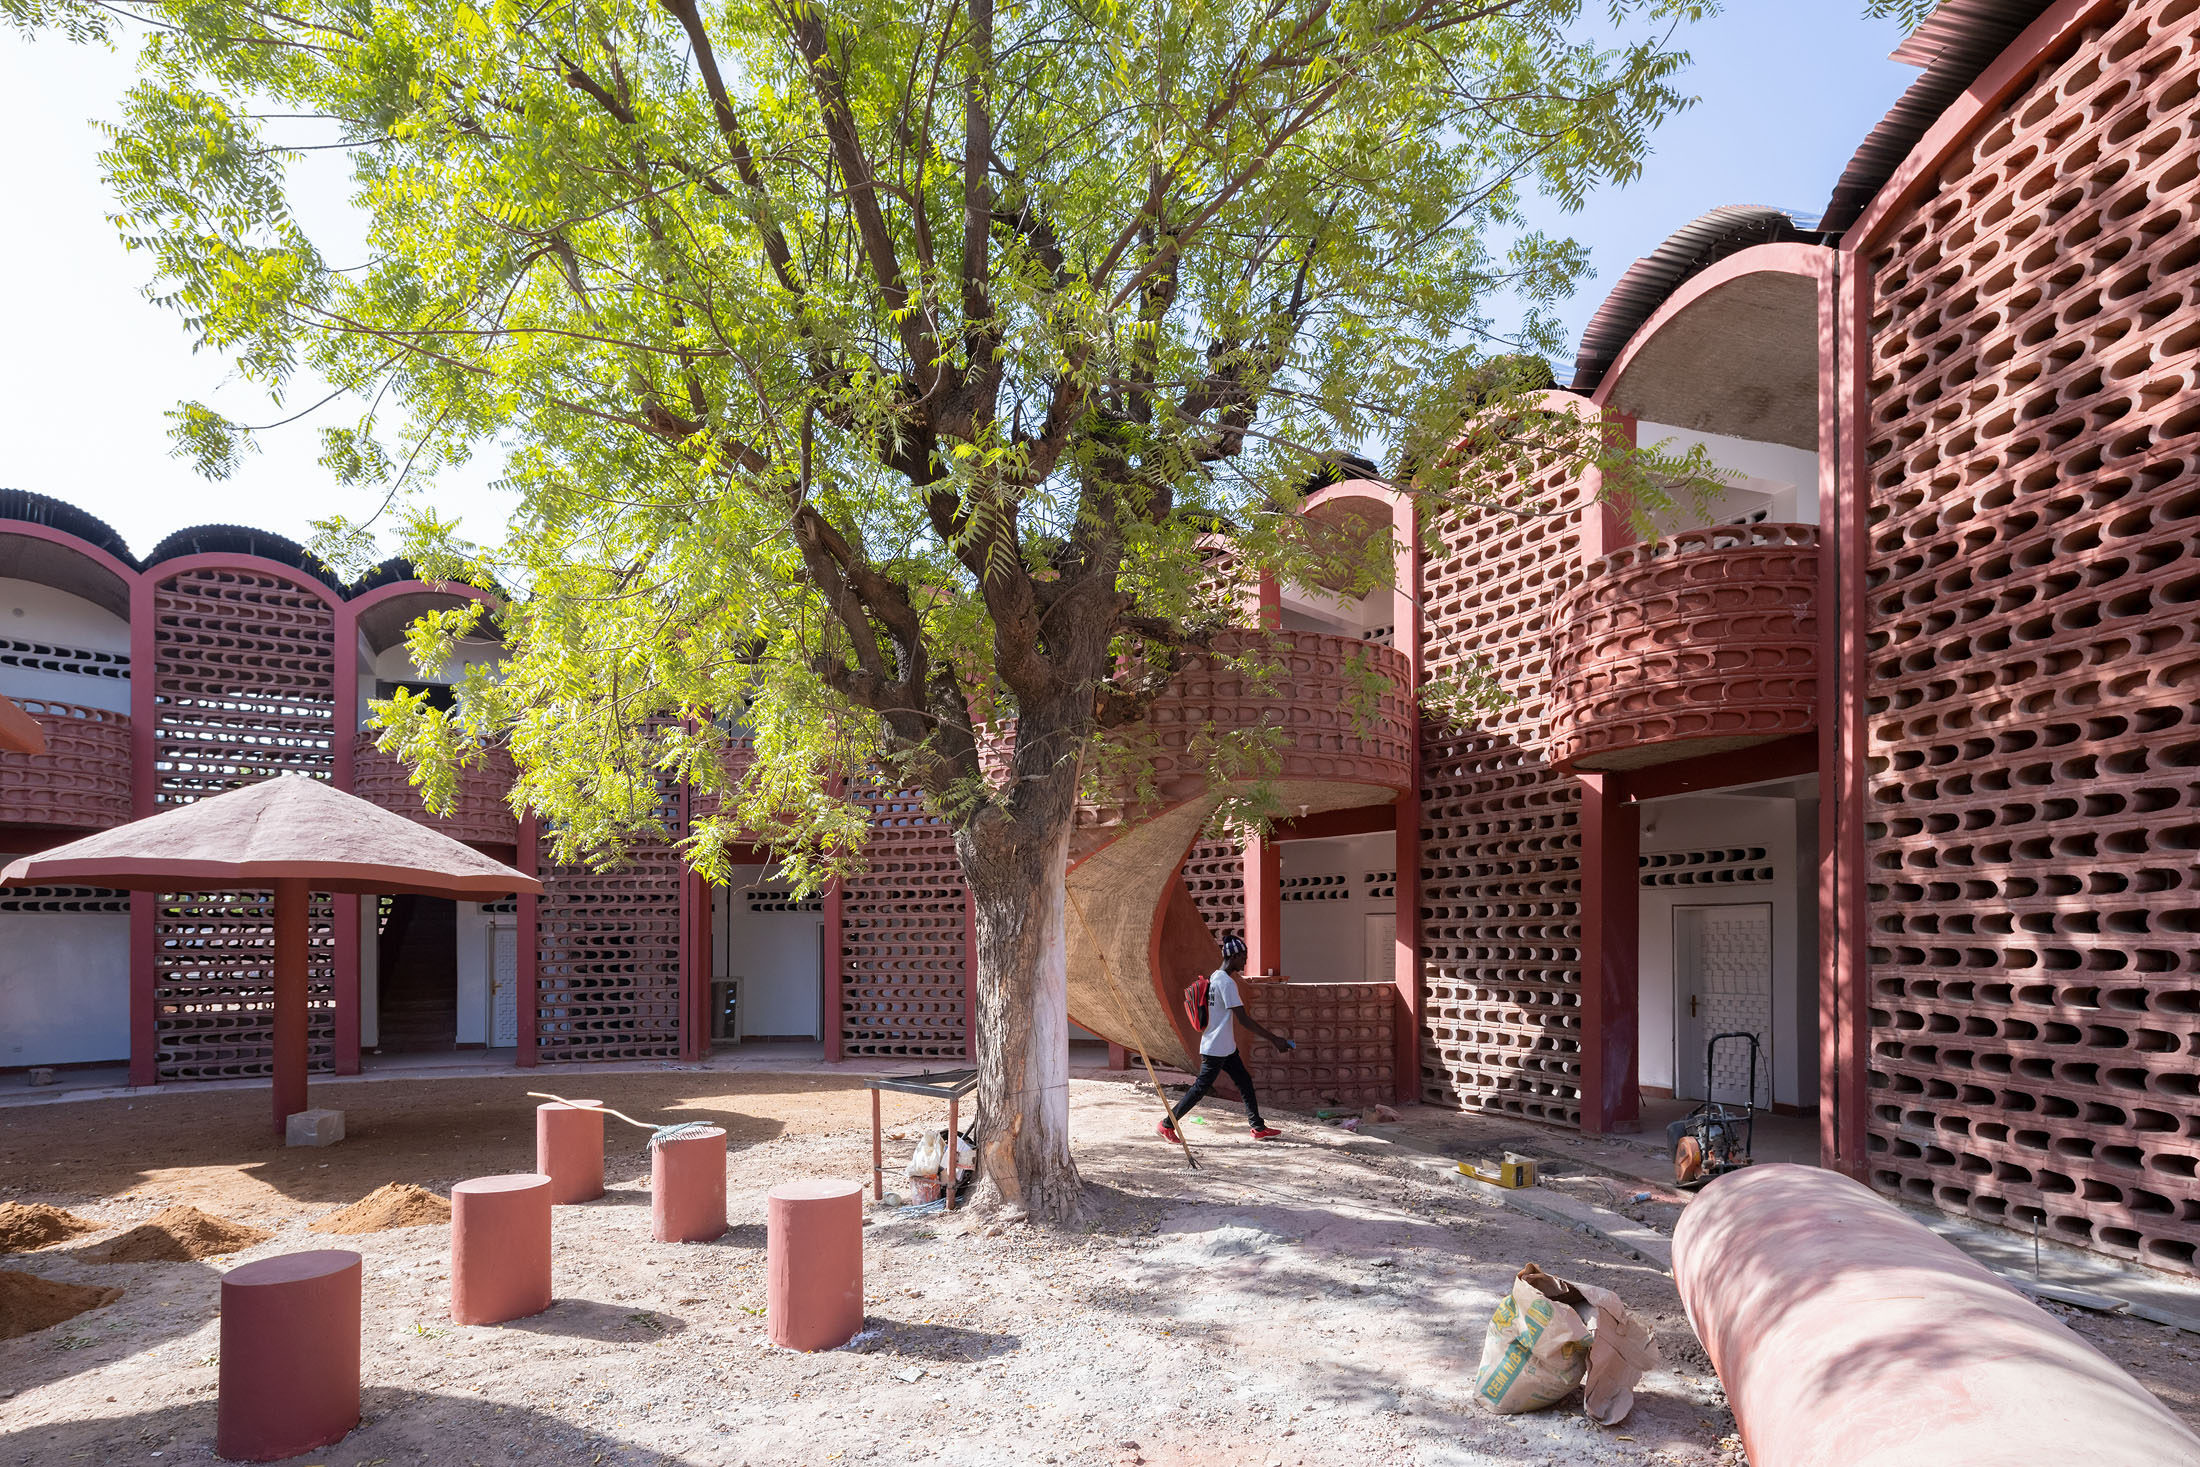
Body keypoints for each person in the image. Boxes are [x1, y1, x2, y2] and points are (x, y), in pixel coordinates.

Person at [1158, 933, 1294, 1143]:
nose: (1246, 960)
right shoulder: (1227, 984)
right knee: (1200, 1089)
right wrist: (1275, 1039)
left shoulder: (1215, 977)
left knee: (1244, 1082)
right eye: (1243, 956)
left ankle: (1257, 1127)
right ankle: (1167, 1124)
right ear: (1234, 957)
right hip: (1216, 1049)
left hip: (1224, 1046)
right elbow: (1243, 1020)